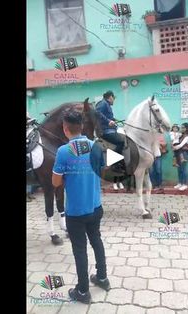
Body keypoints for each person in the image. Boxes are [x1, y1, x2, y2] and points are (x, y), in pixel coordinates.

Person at [52, 109, 110, 304]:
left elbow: (56, 182)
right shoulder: (96, 147)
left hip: (76, 212)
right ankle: (102, 278)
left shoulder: (63, 151)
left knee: (80, 249)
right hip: (96, 206)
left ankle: (83, 291)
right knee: (96, 240)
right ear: (83, 127)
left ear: (65, 128)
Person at [96, 91, 125, 171]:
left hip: (111, 130)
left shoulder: (106, 105)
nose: (114, 100)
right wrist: (108, 121)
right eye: (113, 98)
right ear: (110, 97)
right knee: (121, 142)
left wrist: (114, 120)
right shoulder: (103, 103)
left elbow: (107, 116)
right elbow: (97, 113)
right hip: (105, 131)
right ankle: (114, 165)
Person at [172, 123, 188, 191]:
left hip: (184, 154)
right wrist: (176, 138)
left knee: (184, 169)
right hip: (178, 153)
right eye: (181, 127)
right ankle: (180, 183)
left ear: (187, 128)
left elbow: (181, 145)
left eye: (183, 127)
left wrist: (174, 147)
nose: (182, 129)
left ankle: (185, 184)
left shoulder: (187, 136)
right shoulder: (181, 135)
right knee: (179, 169)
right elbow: (174, 141)